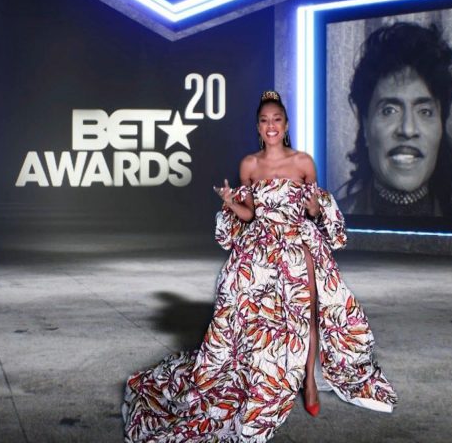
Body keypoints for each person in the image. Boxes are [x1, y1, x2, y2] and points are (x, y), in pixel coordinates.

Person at [123, 90, 396, 442]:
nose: (271, 126)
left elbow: (315, 210)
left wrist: (314, 209)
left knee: (309, 312)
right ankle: (260, 375)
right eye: (265, 120)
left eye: (277, 120)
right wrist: (229, 203)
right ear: (258, 126)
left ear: (286, 125)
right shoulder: (249, 165)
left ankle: (309, 383)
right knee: (251, 314)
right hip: (261, 248)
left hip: (299, 246)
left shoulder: (303, 162)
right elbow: (251, 214)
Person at [337, 21, 452, 217]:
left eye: (424, 111)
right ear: (365, 126)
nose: (407, 129)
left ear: (442, 126)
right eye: (389, 110)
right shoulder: (326, 224)